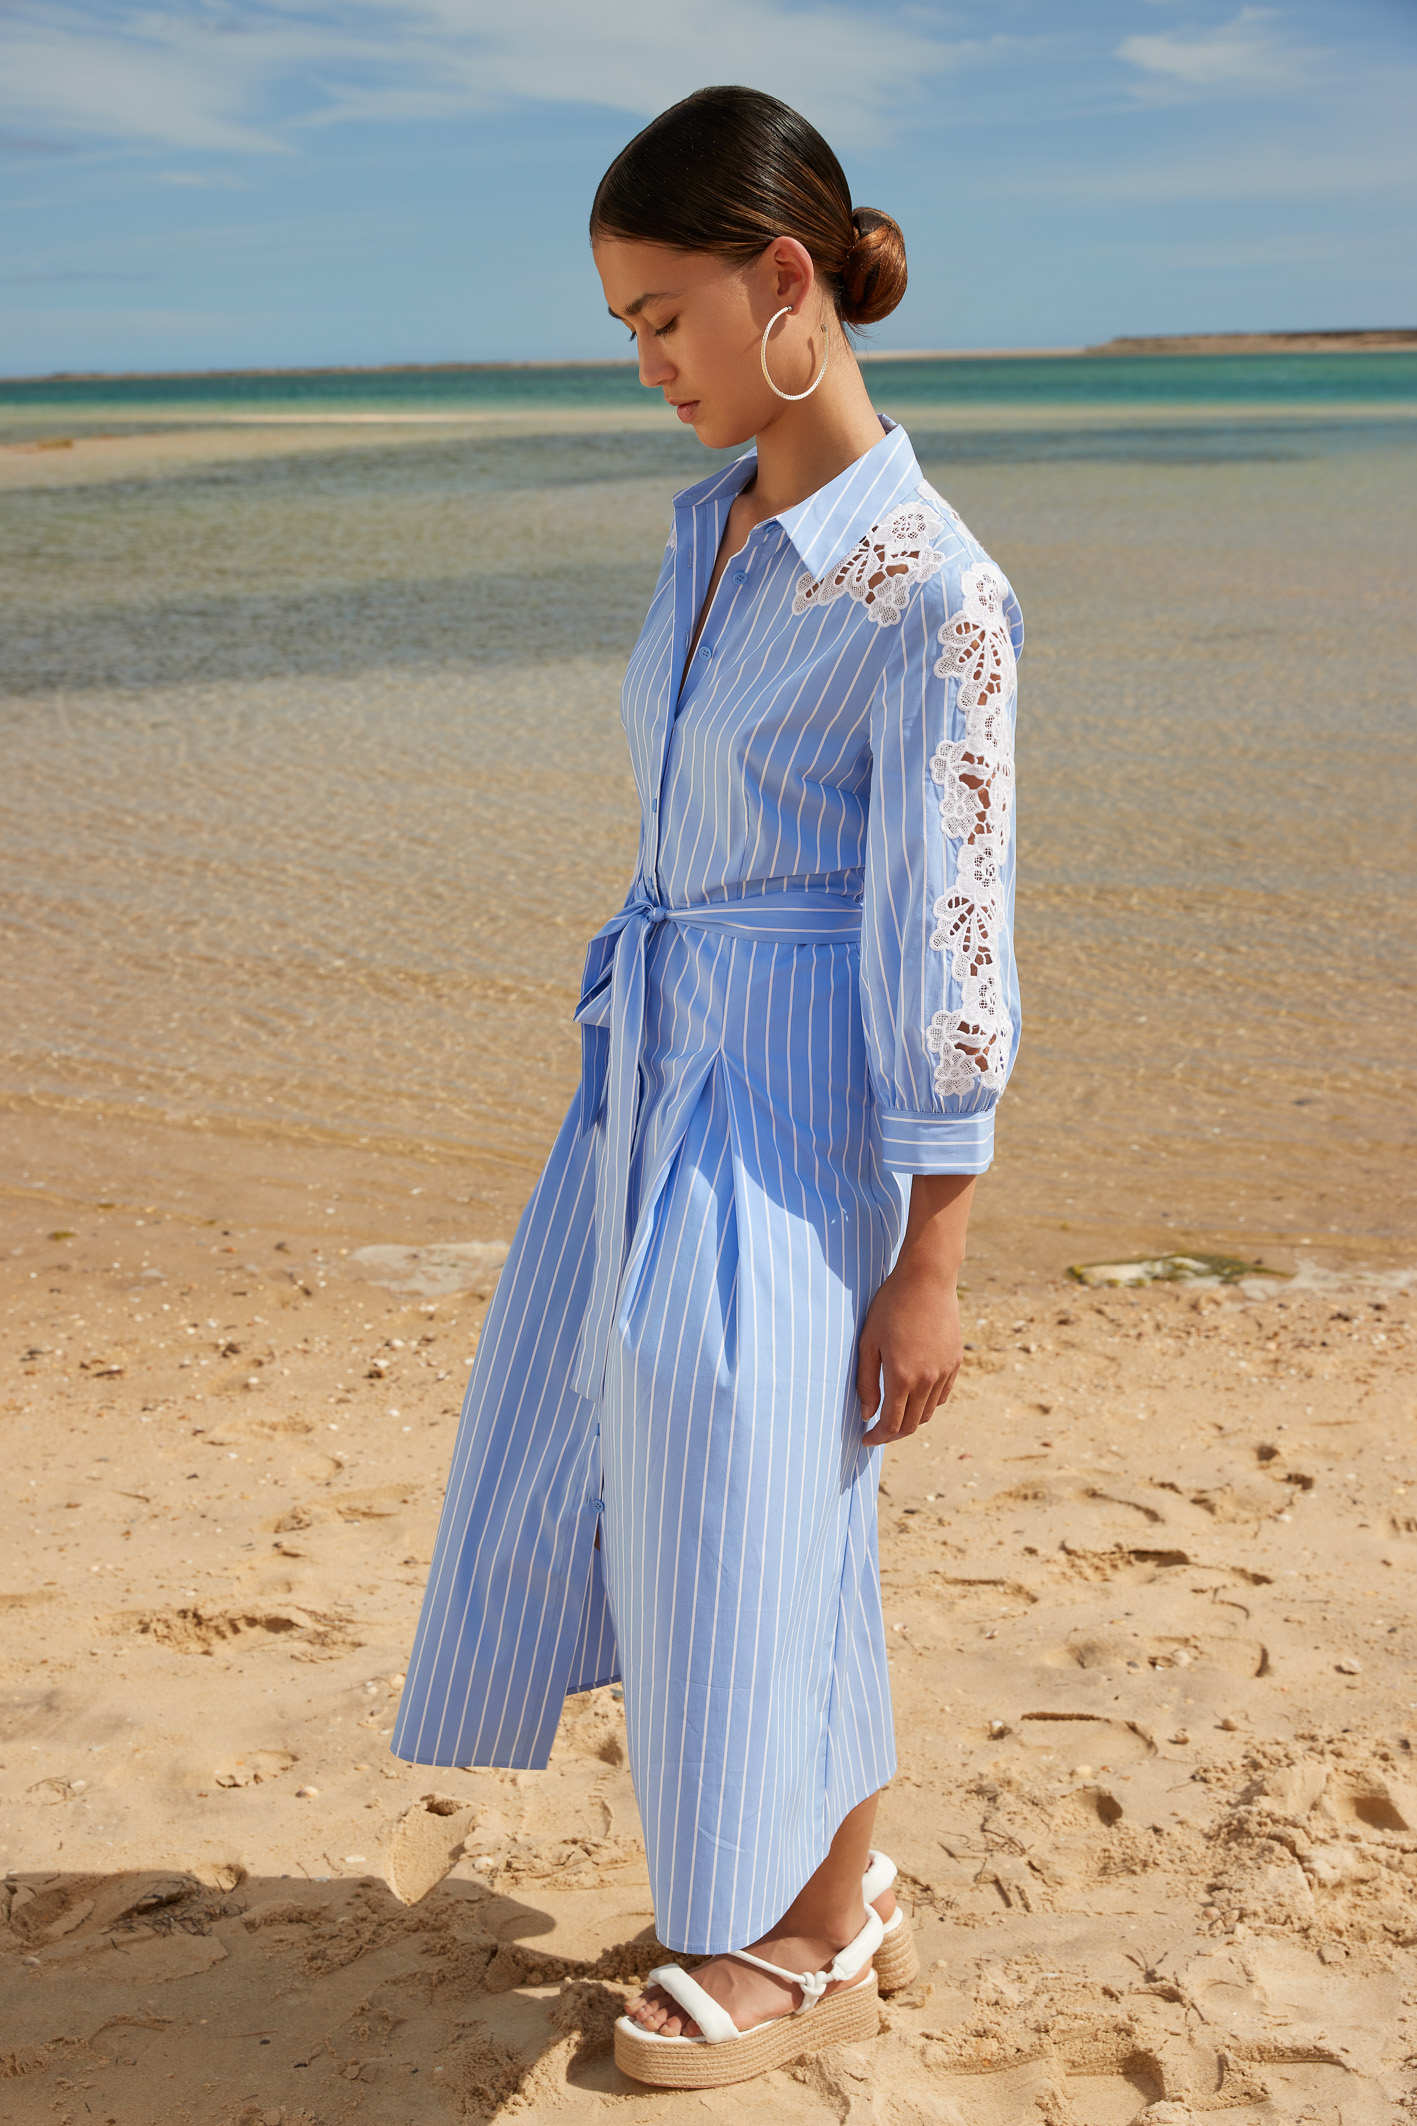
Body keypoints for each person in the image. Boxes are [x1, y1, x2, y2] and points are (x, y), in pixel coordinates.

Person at [392, 84, 1023, 2091]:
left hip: (801, 1103)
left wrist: (932, 1251)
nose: (648, 363)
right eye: (625, 329)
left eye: (664, 316)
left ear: (783, 281)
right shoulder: (711, 530)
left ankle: (818, 1922)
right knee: (653, 1452)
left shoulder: (931, 590)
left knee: (760, 1474)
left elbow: (951, 938)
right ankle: (831, 1882)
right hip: (654, 1067)